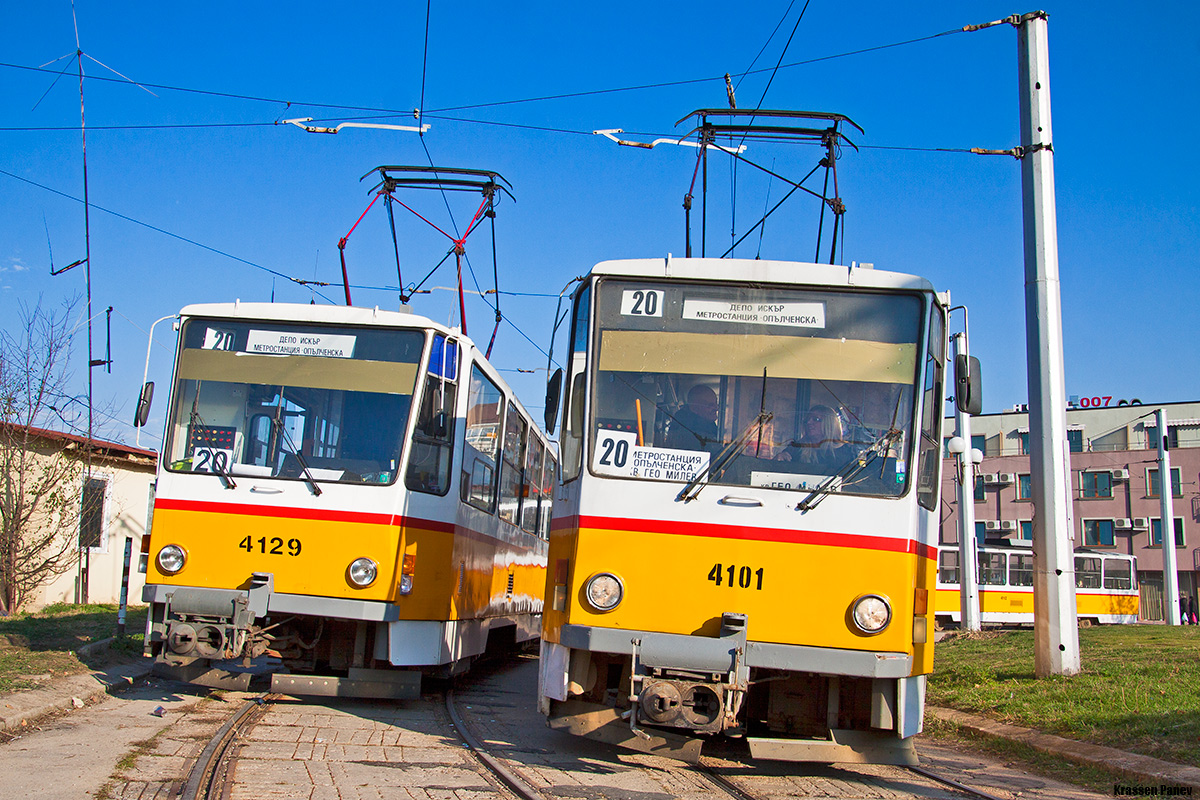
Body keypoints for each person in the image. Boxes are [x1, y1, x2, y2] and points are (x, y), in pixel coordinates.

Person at [777, 404, 857, 472]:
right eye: (806, 420)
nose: (809, 423)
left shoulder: (847, 451)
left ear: (829, 424)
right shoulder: (796, 448)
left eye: (816, 419)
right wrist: (778, 459)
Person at [663, 384, 719, 450]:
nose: (716, 408)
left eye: (716, 403)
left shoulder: (708, 426)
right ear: (694, 408)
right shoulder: (690, 432)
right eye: (710, 405)